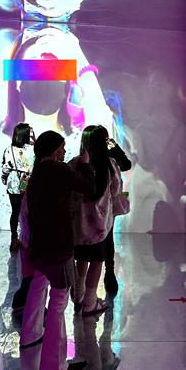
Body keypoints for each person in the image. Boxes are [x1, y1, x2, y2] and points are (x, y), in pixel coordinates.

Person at [20, 130, 95, 370]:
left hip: (40, 243)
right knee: (58, 301)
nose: (64, 152)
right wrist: (85, 165)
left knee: (38, 285)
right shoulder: (58, 170)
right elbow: (89, 188)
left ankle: (29, 334)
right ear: (53, 150)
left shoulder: (38, 171)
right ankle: (54, 369)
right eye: (62, 148)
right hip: (58, 244)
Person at [71, 126, 124, 315]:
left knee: (81, 260)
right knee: (96, 262)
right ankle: (90, 303)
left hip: (79, 225)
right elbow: (116, 189)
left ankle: (78, 296)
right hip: (101, 225)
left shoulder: (75, 163)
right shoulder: (109, 165)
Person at [103, 133, 131, 295]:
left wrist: (115, 148)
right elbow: (126, 165)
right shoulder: (93, 156)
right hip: (101, 203)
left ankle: (108, 272)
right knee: (106, 238)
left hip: (106, 204)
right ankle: (107, 273)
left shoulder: (109, 155)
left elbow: (126, 165)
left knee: (107, 237)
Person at [3, 122, 34, 252]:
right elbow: (32, 167)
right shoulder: (32, 150)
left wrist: (5, 179)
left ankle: (14, 238)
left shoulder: (9, 149)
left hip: (13, 182)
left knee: (15, 211)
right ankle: (29, 239)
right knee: (29, 212)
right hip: (27, 181)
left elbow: (5, 168)